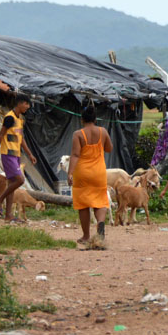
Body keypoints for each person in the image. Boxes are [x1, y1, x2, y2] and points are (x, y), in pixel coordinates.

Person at [0, 94, 37, 223]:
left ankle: (8, 215)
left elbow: (21, 139)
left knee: (11, 183)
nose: (28, 107)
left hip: (16, 155)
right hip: (8, 154)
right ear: (20, 103)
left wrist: (30, 154)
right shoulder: (9, 117)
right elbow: (0, 136)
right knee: (20, 180)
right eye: (27, 104)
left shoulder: (20, 119)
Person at [67, 105, 112, 246]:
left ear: (82, 119)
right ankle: (100, 224)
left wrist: (70, 173)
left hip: (83, 173)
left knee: (83, 204)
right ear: (95, 118)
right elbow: (109, 149)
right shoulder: (102, 131)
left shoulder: (78, 134)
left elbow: (75, 155)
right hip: (99, 172)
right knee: (100, 200)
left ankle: (86, 236)